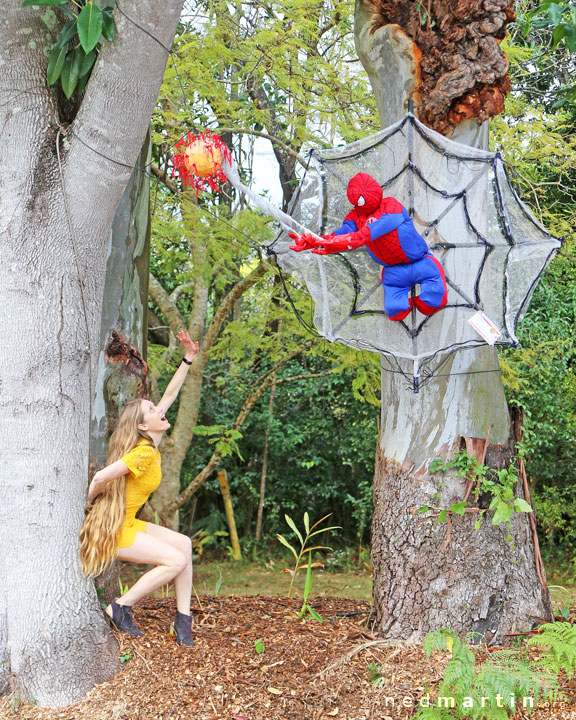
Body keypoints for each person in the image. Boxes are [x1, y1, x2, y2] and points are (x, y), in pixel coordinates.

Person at [79, 330, 199, 646]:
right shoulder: (143, 452)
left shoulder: (149, 441)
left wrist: (188, 359)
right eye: (152, 410)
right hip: (117, 531)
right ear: (144, 425)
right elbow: (100, 478)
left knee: (184, 545)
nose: (160, 410)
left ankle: (183, 620)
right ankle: (120, 606)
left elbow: (171, 395)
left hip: (128, 523)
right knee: (175, 561)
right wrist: (88, 505)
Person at [289, 172, 447, 321]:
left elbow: (382, 226)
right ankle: (402, 303)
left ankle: (426, 298)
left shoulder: (391, 205)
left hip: (419, 261)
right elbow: (341, 234)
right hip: (393, 271)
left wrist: (356, 238)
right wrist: (319, 240)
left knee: (434, 297)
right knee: (395, 309)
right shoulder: (354, 216)